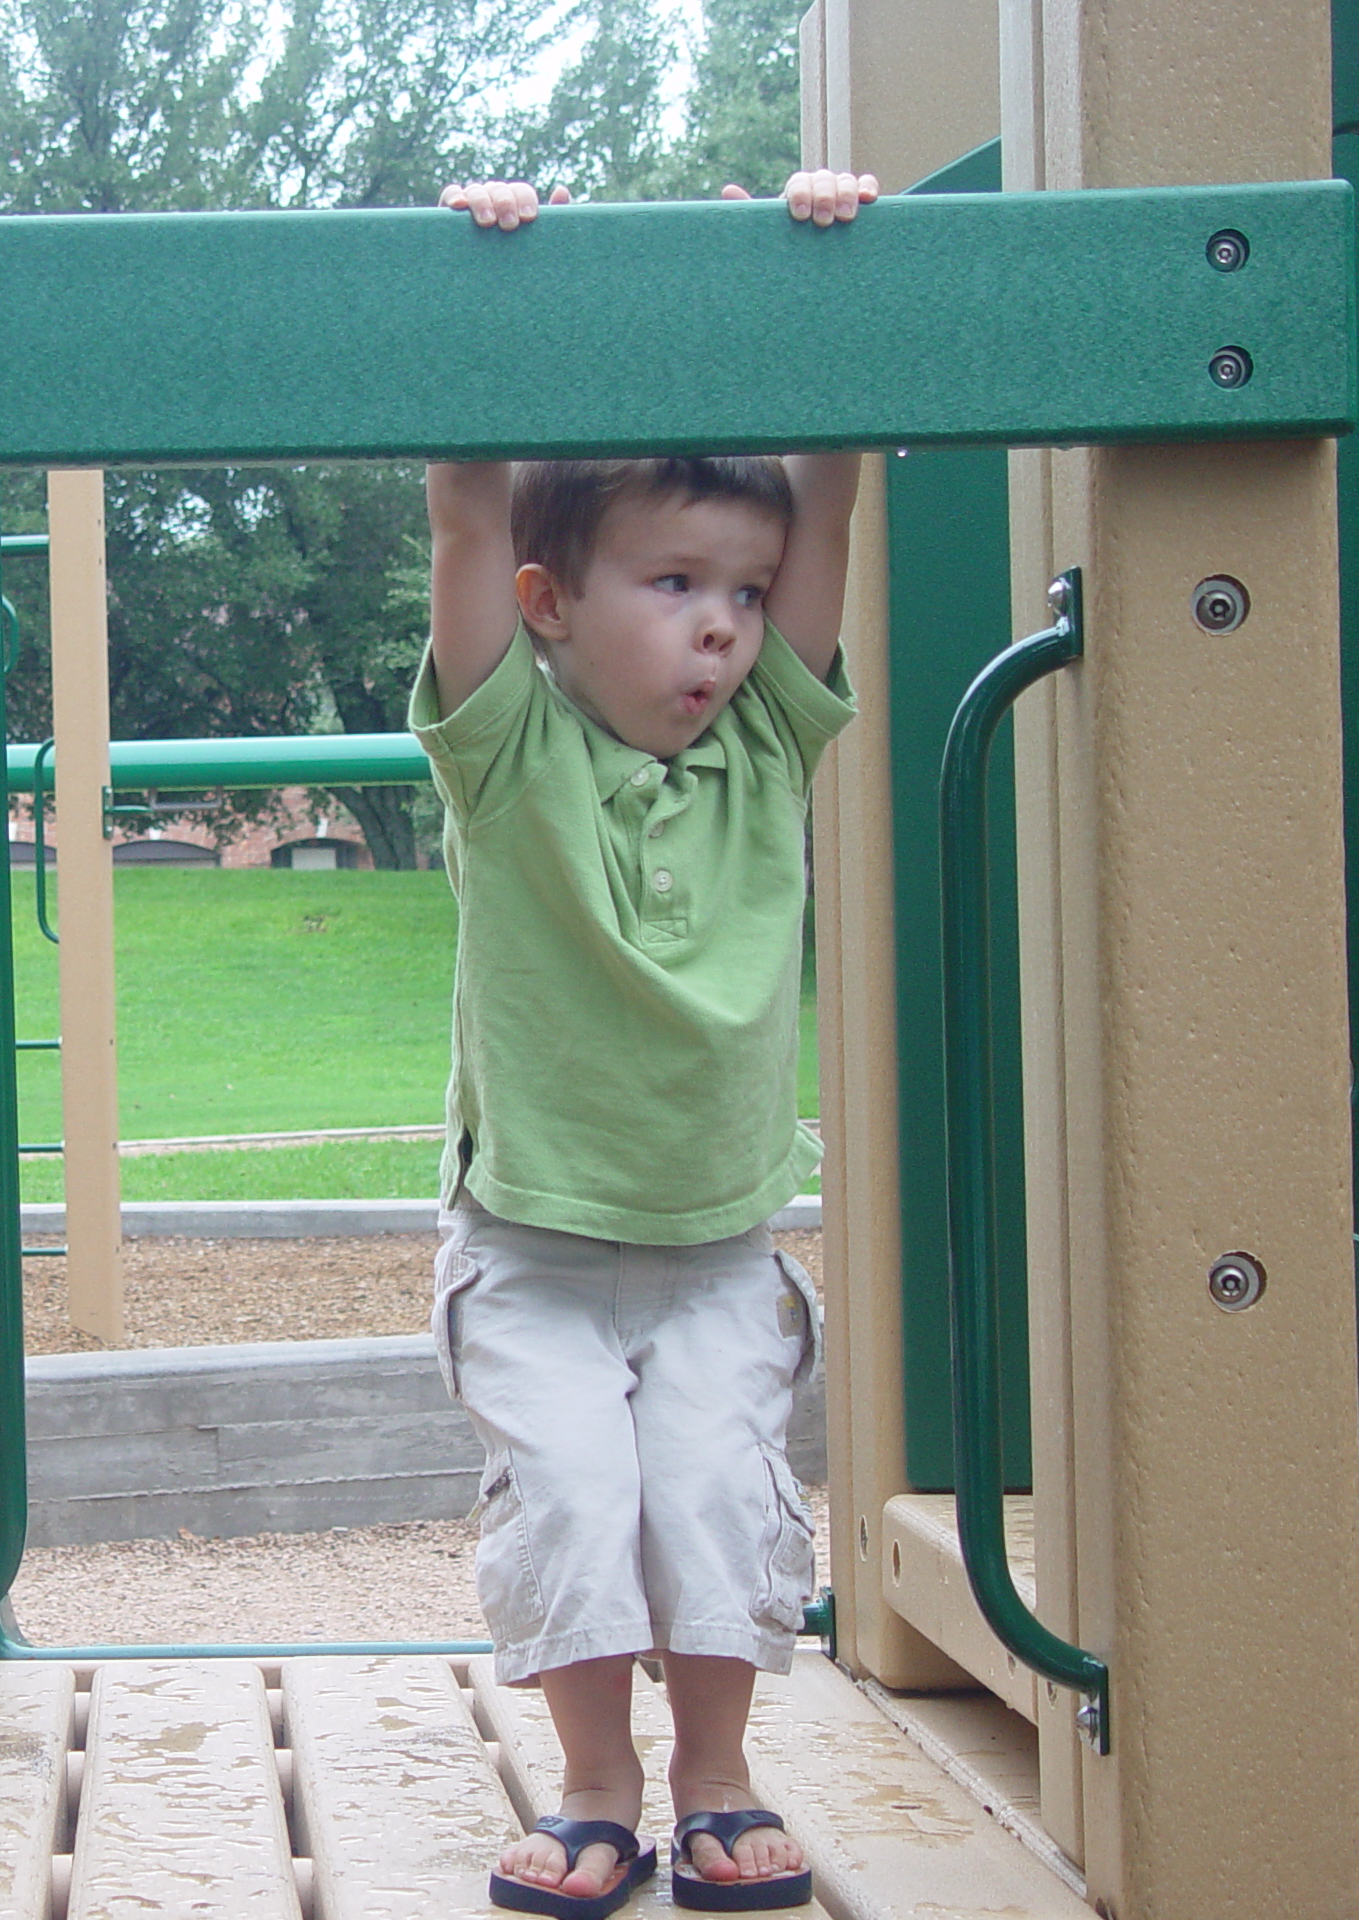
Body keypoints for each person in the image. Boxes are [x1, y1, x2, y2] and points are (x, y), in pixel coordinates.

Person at [418, 170, 878, 1917]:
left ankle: (722, 1780)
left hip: (714, 1248)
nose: (722, 624)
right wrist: (494, 295)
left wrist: (818, 276)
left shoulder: (767, 745)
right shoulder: (507, 757)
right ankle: (596, 1787)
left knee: (708, 1496)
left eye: (744, 594)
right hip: (533, 1246)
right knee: (570, 1499)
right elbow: (466, 509)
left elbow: (832, 491)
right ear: (549, 604)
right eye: (675, 581)